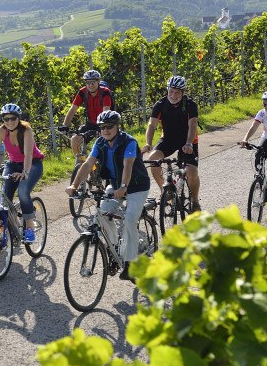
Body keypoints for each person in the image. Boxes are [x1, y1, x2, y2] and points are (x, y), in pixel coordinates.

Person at [66, 110, 150, 280]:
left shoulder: (129, 142)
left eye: (109, 127)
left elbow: (127, 167)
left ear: (117, 127)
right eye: (102, 127)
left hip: (136, 186)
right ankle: (114, 247)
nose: (105, 130)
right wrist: (74, 185)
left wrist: (124, 187)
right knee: (101, 217)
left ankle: (131, 262)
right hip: (115, 185)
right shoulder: (100, 143)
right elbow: (88, 164)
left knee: (129, 220)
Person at [0, 103, 44, 244]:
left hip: (33, 164)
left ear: (18, 118)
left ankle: (29, 228)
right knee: (4, 198)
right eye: (6, 119)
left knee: (22, 192)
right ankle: (12, 226)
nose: (9, 122)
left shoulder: (26, 130)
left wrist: (25, 173)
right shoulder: (1, 131)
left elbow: (28, 155)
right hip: (13, 164)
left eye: (13, 118)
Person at [143, 75, 202, 212]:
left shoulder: (190, 104)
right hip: (168, 139)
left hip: (188, 141)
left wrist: (188, 143)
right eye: (171, 91)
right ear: (167, 90)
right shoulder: (160, 104)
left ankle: (195, 201)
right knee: (152, 159)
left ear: (183, 92)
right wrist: (148, 143)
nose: (173, 95)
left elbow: (192, 125)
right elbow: (151, 125)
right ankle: (166, 191)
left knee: (192, 173)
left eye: (177, 92)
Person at [61, 70, 113, 162]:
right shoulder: (83, 92)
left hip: (105, 123)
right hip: (90, 123)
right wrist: (65, 125)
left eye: (93, 82)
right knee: (75, 139)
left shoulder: (105, 92)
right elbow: (73, 109)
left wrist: (103, 128)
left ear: (98, 81)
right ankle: (80, 163)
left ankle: (104, 165)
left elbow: (106, 112)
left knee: (105, 147)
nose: (90, 85)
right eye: (88, 83)